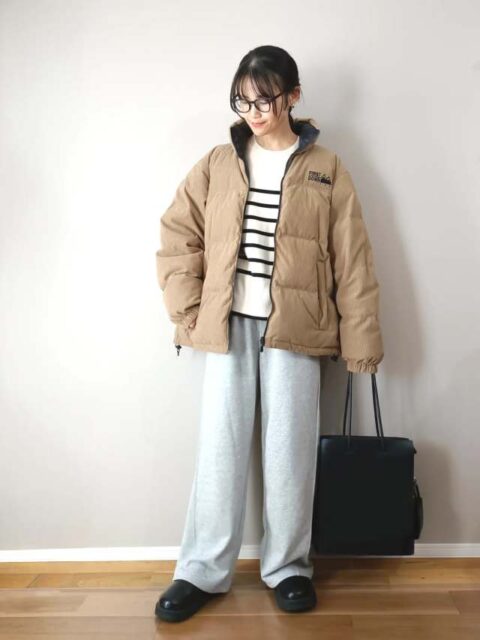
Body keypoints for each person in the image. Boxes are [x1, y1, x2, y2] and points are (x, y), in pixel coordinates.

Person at [154, 45, 384, 623]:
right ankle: (201, 570)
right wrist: (188, 311)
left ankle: (288, 568)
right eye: (243, 101)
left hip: (298, 329)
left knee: (290, 453)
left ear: (293, 96)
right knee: (220, 450)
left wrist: (362, 344)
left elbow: (353, 260)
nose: (253, 112)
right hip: (228, 325)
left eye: (264, 100)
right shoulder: (218, 162)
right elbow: (178, 234)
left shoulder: (327, 167)